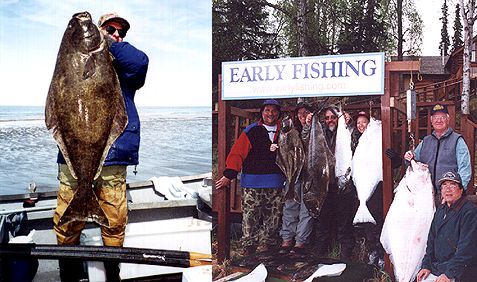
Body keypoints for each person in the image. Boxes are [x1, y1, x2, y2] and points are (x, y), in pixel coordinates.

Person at [53, 12, 149, 282]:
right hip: (73, 158)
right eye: (110, 29)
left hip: (113, 157)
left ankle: (112, 276)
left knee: (115, 221)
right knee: (66, 222)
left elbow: (141, 63)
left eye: (121, 32)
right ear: (98, 29)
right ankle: (68, 276)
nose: (116, 35)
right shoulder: (71, 59)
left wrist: (108, 43)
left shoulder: (123, 67)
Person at [215, 99, 286, 255]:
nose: (270, 114)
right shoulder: (251, 130)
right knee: (250, 216)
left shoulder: (285, 131)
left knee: (273, 218)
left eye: (274, 110)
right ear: (262, 112)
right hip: (252, 182)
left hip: (276, 182)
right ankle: (249, 246)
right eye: (267, 110)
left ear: (278, 113)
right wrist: (229, 174)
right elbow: (237, 153)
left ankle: (267, 246)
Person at [404, 103, 472, 206]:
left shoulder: (457, 140)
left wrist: (456, 194)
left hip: (449, 197)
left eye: (442, 117)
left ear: (448, 120)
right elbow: (413, 161)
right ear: (431, 121)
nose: (438, 120)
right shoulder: (425, 141)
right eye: (435, 117)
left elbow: (465, 170)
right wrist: (408, 157)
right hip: (426, 195)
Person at [416, 171, 477, 282]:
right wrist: (426, 265)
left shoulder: (470, 212)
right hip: (438, 267)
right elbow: (431, 242)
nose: (448, 189)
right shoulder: (440, 210)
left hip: (460, 271)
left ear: (461, 190)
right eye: (444, 185)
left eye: (453, 185)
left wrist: (449, 274)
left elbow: (467, 250)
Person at [313, 107, 356, 260]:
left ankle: (345, 255)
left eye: (333, 117)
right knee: (322, 222)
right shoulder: (320, 134)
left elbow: (355, 138)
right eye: (327, 118)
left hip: (343, 185)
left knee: (344, 222)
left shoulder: (346, 131)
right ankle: (320, 255)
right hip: (325, 186)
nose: (330, 120)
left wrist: (349, 123)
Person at [350, 111, 385, 268]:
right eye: (358, 123)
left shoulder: (378, 138)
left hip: (375, 187)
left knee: (378, 219)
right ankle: (372, 252)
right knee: (368, 225)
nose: (361, 125)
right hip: (361, 187)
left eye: (364, 122)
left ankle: (382, 253)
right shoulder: (355, 140)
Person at [279, 102, 313, 253]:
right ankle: (287, 239)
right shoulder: (291, 131)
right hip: (293, 174)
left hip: (310, 175)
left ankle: (300, 242)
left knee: (306, 210)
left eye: (305, 113)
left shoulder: (316, 128)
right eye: (299, 114)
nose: (302, 116)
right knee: (290, 207)